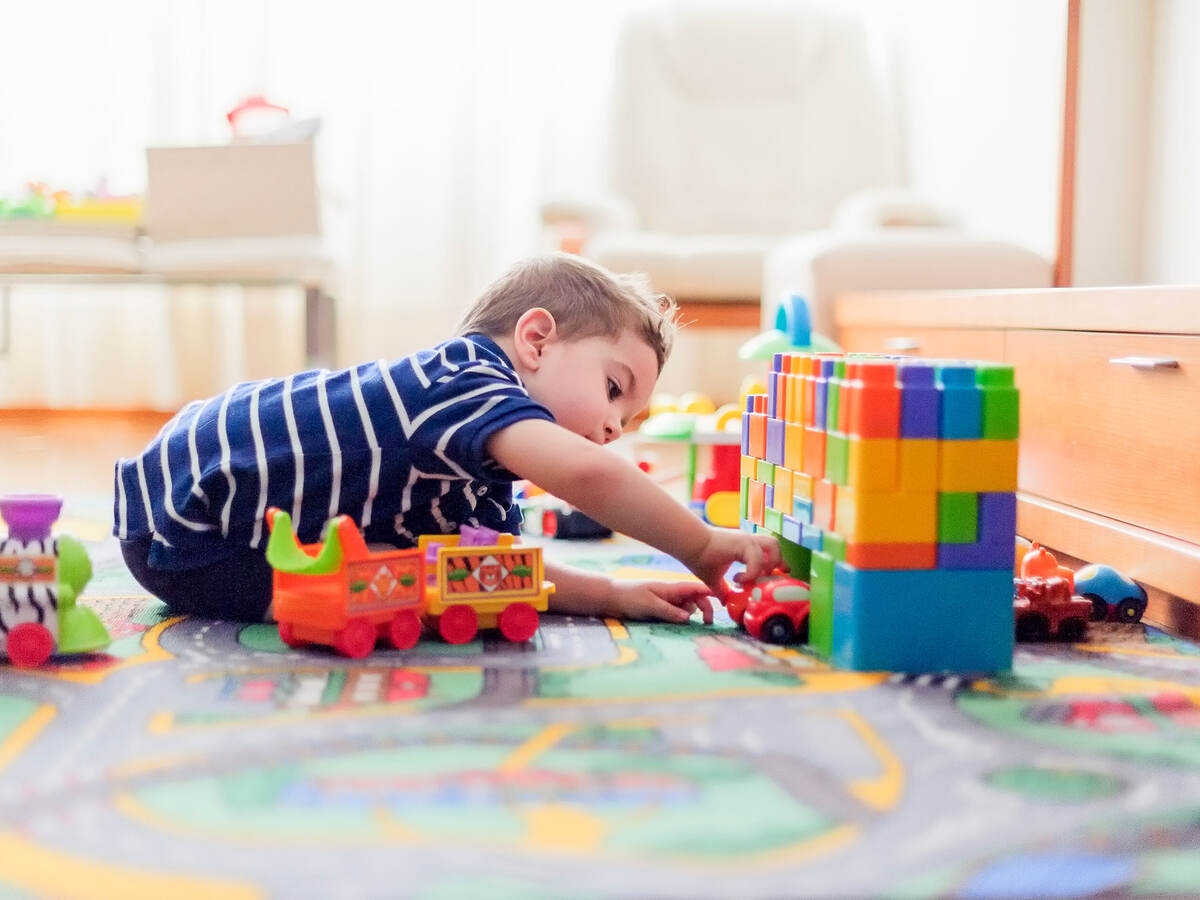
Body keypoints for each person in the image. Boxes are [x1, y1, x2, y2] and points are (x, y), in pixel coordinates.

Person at [113, 253, 781, 624]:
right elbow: (590, 476)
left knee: (439, 574)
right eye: (613, 389)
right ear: (536, 340)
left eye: (627, 420)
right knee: (398, 585)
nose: (612, 428)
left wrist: (610, 596)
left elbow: (491, 570)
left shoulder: (481, 468)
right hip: (196, 526)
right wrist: (698, 544)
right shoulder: (462, 377)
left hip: (210, 528)